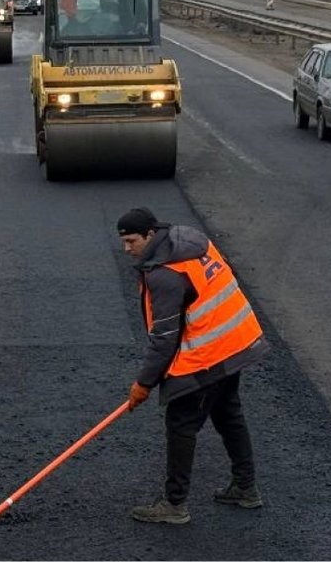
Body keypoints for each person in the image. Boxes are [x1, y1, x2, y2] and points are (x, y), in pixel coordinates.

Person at [118, 207, 269, 524]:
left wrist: (143, 384)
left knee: (181, 424)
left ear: (150, 234)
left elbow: (164, 338)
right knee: (228, 413)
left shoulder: (164, 274)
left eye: (132, 241)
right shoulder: (190, 240)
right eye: (123, 242)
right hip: (236, 340)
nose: (126, 248)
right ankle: (246, 488)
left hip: (210, 353)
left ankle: (175, 505)